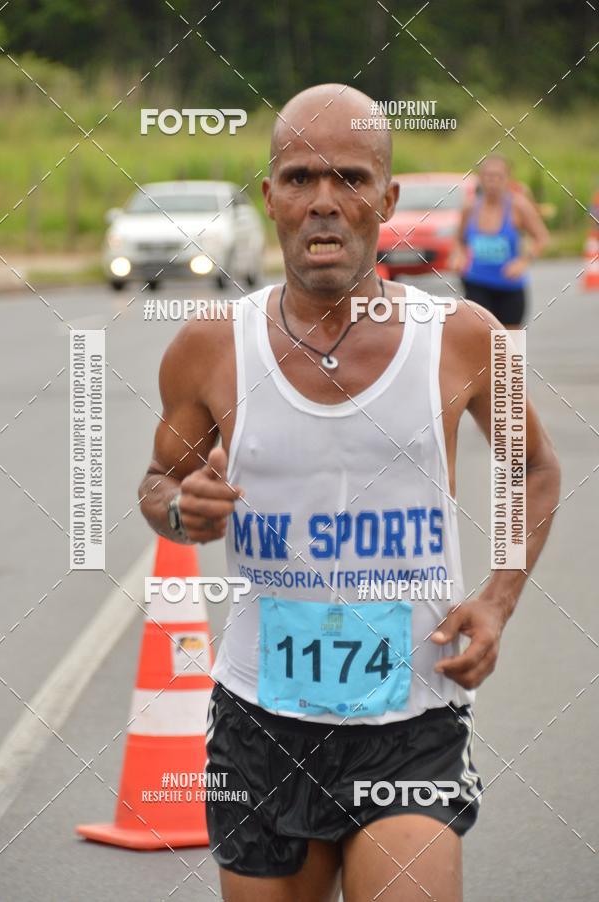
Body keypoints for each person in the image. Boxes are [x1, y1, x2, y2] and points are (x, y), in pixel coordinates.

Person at [138, 85, 560, 902]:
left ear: (387, 199)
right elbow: (160, 487)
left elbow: (533, 466)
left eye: (351, 179)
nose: (324, 202)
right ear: (270, 200)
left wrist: (499, 598)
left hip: (410, 727)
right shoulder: (209, 347)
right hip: (261, 720)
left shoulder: (461, 338)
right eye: (299, 178)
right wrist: (182, 508)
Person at [452, 155, 549, 328]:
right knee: (480, 338)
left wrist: (523, 262)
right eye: (489, 176)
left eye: (498, 176)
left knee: (508, 344)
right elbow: (459, 240)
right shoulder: (470, 207)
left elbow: (541, 238)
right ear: (481, 178)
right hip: (476, 283)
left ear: (507, 179)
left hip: (509, 286)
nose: (493, 182)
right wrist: (459, 256)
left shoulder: (518, 206)